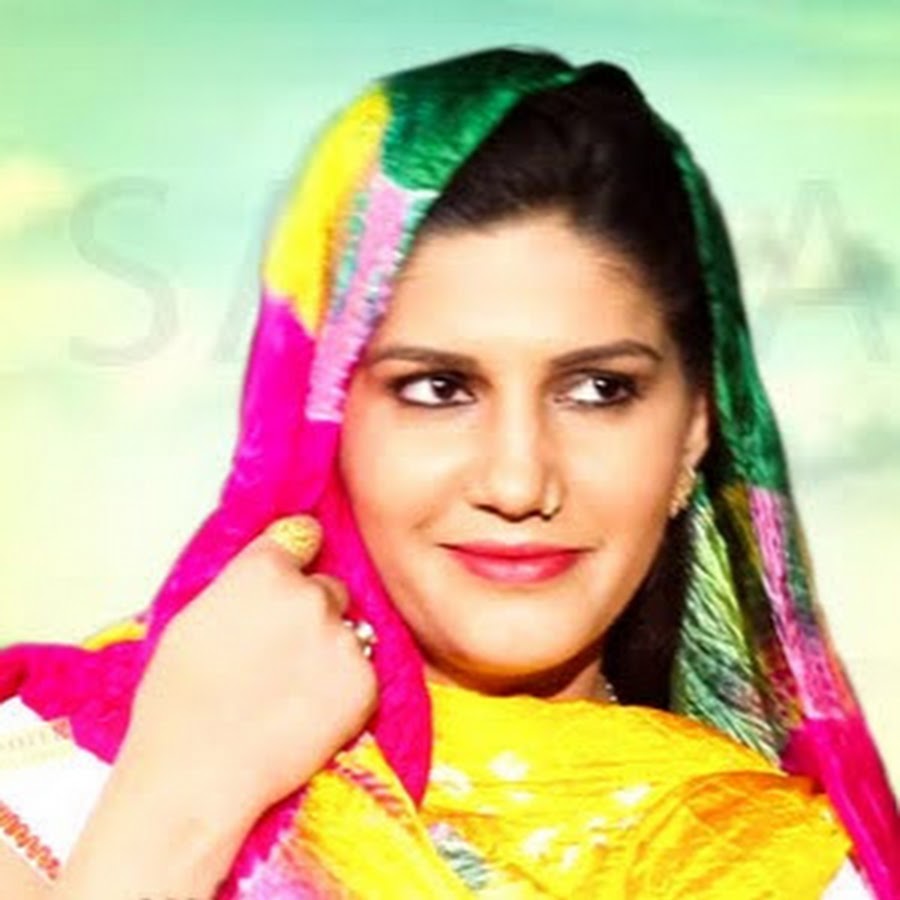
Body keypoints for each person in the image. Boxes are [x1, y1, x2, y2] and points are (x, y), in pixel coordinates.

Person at [0, 47, 896, 899]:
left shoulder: (776, 862)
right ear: (320, 417)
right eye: (438, 388)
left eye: (597, 389)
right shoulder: (71, 782)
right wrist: (181, 805)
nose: (518, 482)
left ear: (694, 430)